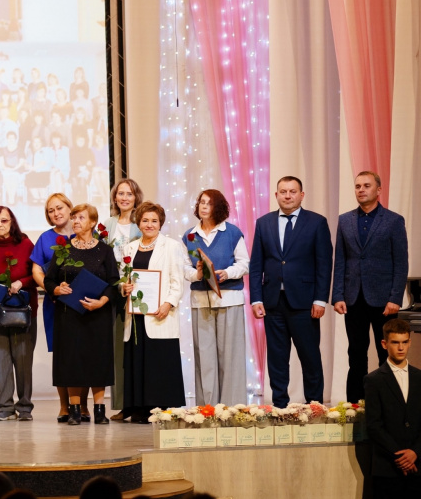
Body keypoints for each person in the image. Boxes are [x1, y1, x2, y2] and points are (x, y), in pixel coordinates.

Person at [249, 176, 333, 408]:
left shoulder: (317, 222)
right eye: (283, 191)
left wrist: (320, 299)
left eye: (292, 191)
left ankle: (314, 406)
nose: (288, 196)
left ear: (301, 195)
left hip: (305, 303)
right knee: (277, 358)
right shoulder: (263, 223)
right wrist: (256, 298)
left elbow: (324, 264)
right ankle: (279, 406)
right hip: (272, 302)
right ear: (276, 195)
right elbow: (256, 265)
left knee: (310, 356)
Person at [333, 171, 409, 404]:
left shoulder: (394, 221)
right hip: (353, 298)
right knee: (356, 353)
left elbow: (401, 263)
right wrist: (338, 295)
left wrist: (395, 297)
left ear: (378, 190)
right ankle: (355, 405)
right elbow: (340, 260)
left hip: (384, 300)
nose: (361, 190)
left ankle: (388, 404)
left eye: (366, 185)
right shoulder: (344, 220)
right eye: (358, 186)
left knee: (387, 353)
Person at [363, 319, 421, 499]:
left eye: (405, 342)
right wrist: (401, 455)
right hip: (387, 470)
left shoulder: (420, 377)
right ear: (384, 344)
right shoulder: (374, 380)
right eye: (395, 342)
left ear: (410, 342)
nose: (401, 347)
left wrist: (415, 453)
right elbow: (374, 425)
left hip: (416, 471)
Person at [45, 204, 118, 425]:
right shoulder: (63, 250)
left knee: (98, 360)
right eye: (74, 217)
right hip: (69, 315)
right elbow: (49, 280)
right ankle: (74, 410)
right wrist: (57, 289)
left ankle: (99, 410)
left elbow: (113, 282)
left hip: (98, 315)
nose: (75, 221)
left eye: (81, 218)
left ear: (93, 222)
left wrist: (102, 301)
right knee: (71, 360)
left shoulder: (105, 250)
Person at [182, 189, 250, 406]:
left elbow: (245, 263)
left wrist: (227, 273)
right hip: (201, 301)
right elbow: (184, 267)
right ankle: (208, 407)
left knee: (230, 356)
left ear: (218, 207)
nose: (204, 206)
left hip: (229, 299)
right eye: (202, 202)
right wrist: (197, 274)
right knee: (205, 356)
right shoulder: (189, 236)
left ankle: (232, 407)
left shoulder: (232, 232)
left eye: (209, 203)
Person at [120, 202, 186, 421]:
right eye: (145, 220)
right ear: (139, 223)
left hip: (160, 314)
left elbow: (177, 281)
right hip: (136, 316)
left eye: (154, 221)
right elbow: (123, 278)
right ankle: (139, 409)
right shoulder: (130, 248)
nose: (149, 225)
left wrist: (168, 304)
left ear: (161, 223)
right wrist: (124, 287)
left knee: (160, 363)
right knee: (137, 362)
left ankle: (161, 409)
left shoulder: (172, 246)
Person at [0, 206, 38, 421]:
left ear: (12, 222)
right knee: (2, 360)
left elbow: (37, 274)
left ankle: (24, 407)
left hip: (22, 312)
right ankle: (6, 407)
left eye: (4, 220)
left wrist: (21, 282)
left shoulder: (25, 244)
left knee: (23, 360)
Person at [30, 193, 76, 422]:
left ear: (69, 208)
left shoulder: (85, 233)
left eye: (59, 208)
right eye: (51, 210)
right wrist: (52, 288)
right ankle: (64, 406)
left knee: (81, 353)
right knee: (61, 355)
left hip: (81, 304)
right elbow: (36, 270)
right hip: (55, 304)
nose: (56, 213)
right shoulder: (45, 238)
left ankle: (82, 406)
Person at [103, 179, 144, 420]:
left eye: (129, 194)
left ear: (136, 197)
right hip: (114, 291)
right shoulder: (107, 225)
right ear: (115, 197)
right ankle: (122, 404)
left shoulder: (143, 223)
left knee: (137, 348)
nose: (125, 198)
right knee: (118, 351)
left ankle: (140, 403)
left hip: (138, 290)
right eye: (121, 193)